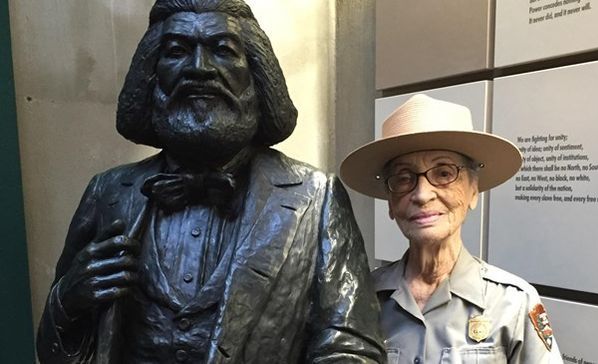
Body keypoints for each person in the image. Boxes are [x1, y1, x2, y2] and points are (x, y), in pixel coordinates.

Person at [36, 1, 385, 363]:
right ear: (151, 76)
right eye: (177, 51)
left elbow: (352, 348)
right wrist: (67, 303)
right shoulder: (107, 194)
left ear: (256, 74)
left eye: (223, 50)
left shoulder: (315, 198)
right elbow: (56, 355)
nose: (200, 69)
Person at [340, 94, 563, 363]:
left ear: (473, 192)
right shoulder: (361, 300)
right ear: (390, 202)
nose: (422, 194)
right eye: (403, 178)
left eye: (444, 174)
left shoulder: (513, 303)